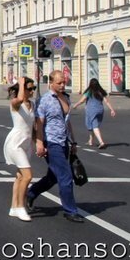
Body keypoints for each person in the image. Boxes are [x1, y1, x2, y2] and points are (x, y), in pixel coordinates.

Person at [26, 70, 84, 223]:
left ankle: (31, 193)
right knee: (65, 176)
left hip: (63, 141)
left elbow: (67, 121)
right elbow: (39, 123)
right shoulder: (45, 100)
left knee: (53, 177)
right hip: (51, 142)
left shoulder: (66, 98)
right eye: (59, 83)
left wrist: (73, 141)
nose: (63, 85)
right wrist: (39, 143)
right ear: (50, 83)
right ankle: (70, 210)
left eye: (64, 82)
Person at [3, 77, 36, 222]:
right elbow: (20, 98)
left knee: (20, 177)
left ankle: (13, 207)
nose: (32, 91)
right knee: (28, 176)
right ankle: (20, 207)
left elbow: (33, 127)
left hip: (26, 143)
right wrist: (22, 84)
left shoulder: (32, 104)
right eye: (29, 88)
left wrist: (38, 143)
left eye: (33, 88)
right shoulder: (15, 103)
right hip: (15, 143)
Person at [72, 78, 116, 149]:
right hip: (100, 110)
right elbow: (106, 101)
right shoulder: (101, 91)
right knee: (91, 124)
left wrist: (75, 105)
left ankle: (101, 142)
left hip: (91, 111)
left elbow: (82, 100)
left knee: (94, 126)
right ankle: (90, 140)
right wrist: (112, 110)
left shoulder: (89, 91)